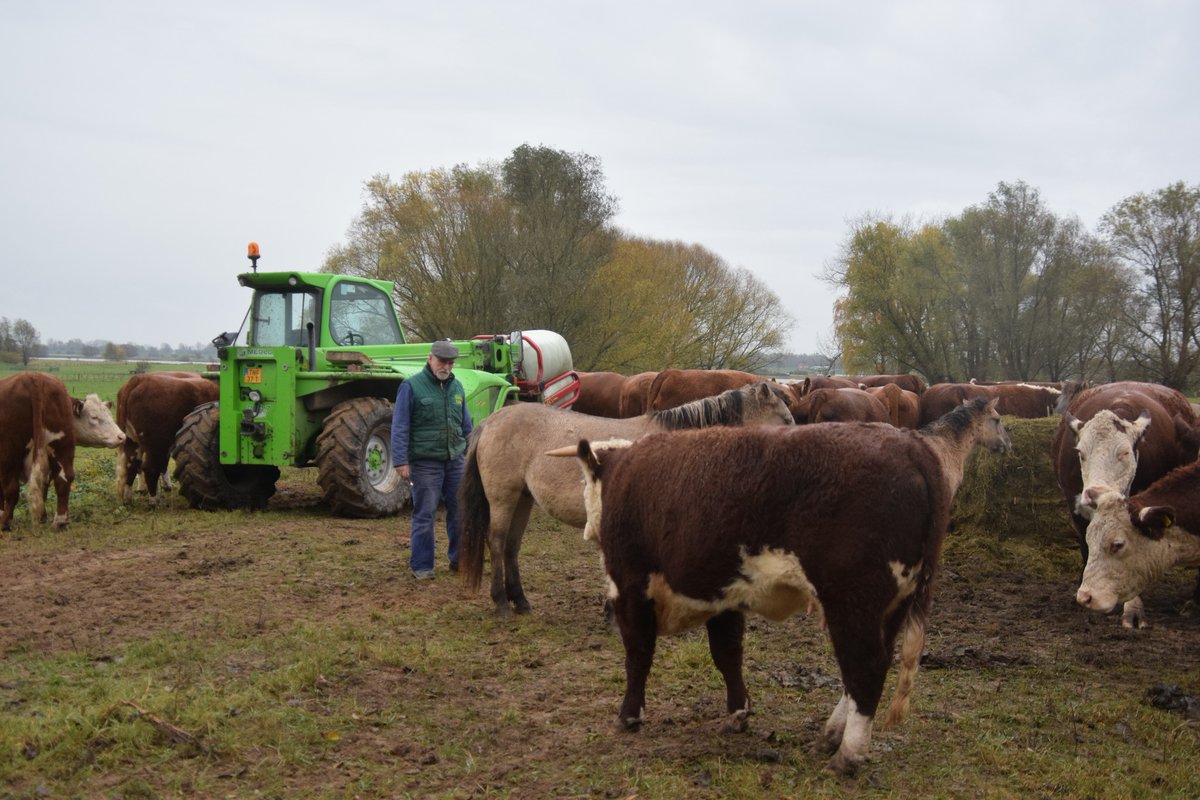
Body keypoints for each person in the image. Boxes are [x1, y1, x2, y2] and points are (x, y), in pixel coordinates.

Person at [391, 339, 473, 579]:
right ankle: (422, 566)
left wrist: (473, 453)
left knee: (460, 511)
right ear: (430, 358)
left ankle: (459, 559)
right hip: (425, 463)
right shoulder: (411, 387)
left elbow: (466, 425)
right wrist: (400, 461)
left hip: (455, 460)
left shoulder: (457, 388)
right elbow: (400, 426)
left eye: (450, 362)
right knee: (425, 513)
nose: (446, 366)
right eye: (442, 361)